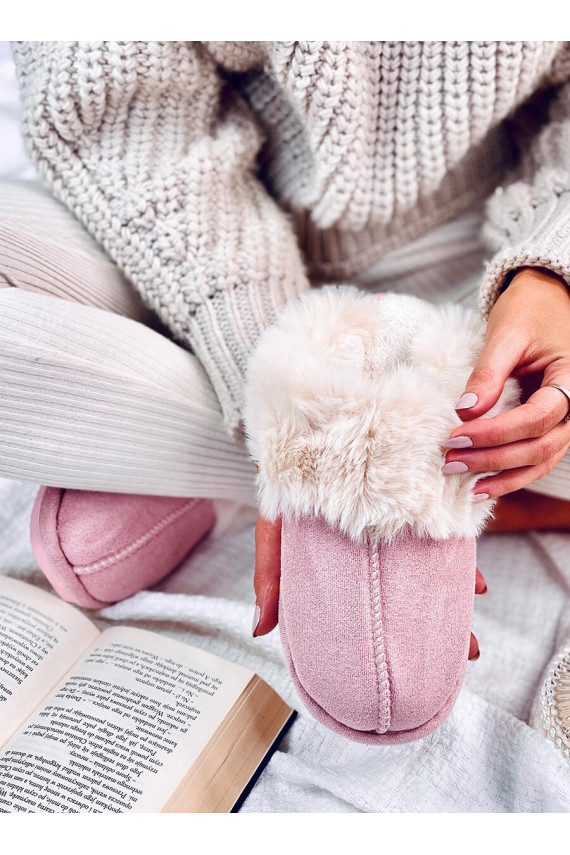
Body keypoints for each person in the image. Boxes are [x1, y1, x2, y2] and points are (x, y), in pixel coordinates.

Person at [6, 41, 570, 659]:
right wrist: (276, 378)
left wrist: (552, 271)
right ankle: (351, 484)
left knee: (535, 419)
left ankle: (215, 468)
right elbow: (126, 127)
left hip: (493, 246)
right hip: (212, 239)